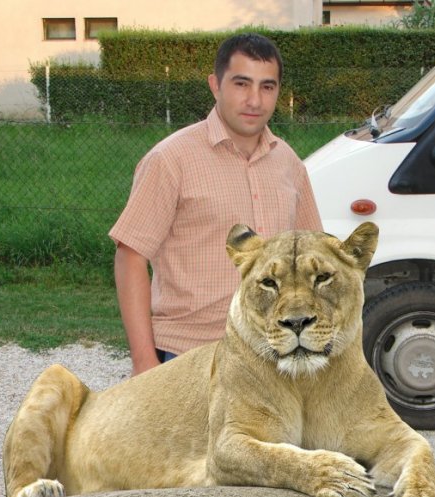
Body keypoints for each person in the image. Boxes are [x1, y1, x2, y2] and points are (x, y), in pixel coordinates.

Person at [109, 33, 322, 376]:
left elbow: (312, 256)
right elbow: (130, 256)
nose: (254, 100)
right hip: (189, 357)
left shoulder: (289, 163)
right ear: (215, 85)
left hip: (272, 356)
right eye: (241, 84)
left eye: (267, 87)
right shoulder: (170, 160)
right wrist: (144, 361)